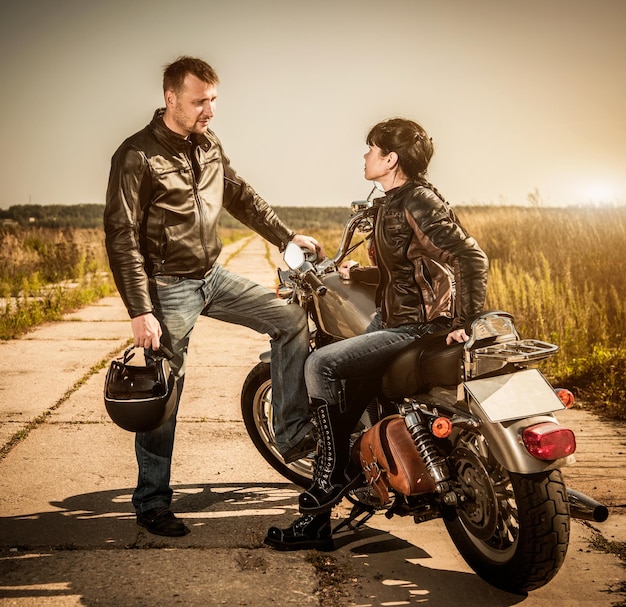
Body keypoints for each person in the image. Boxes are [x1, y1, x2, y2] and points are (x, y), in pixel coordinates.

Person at [104, 56, 322, 537]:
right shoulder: (137, 155)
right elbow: (120, 236)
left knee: (290, 320)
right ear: (170, 99)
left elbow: (239, 194)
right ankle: (152, 501)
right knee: (165, 389)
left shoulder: (208, 145)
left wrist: (285, 237)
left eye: (214, 100)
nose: (210, 110)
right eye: (200, 100)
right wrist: (140, 310)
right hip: (166, 287)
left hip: (211, 276)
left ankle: (289, 435)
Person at [264, 117, 489, 551]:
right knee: (352, 399)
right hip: (397, 318)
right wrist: (361, 272)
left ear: (390, 159)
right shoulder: (396, 199)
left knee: (320, 364)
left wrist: (465, 321)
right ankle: (339, 491)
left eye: (371, 149)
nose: (364, 156)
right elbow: (413, 264)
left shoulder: (417, 200)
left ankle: (330, 482)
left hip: (414, 326)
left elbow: (469, 257)